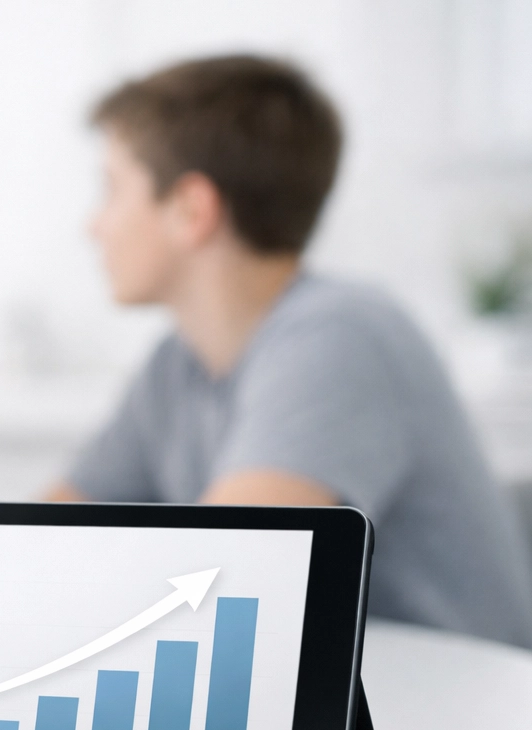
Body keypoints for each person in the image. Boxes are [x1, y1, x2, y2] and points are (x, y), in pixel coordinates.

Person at [49, 55, 532, 647]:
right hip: (338, 702)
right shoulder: (176, 364)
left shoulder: (341, 335)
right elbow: (48, 536)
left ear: (191, 210)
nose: (93, 226)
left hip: (441, 707)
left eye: (112, 190)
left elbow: (220, 576)